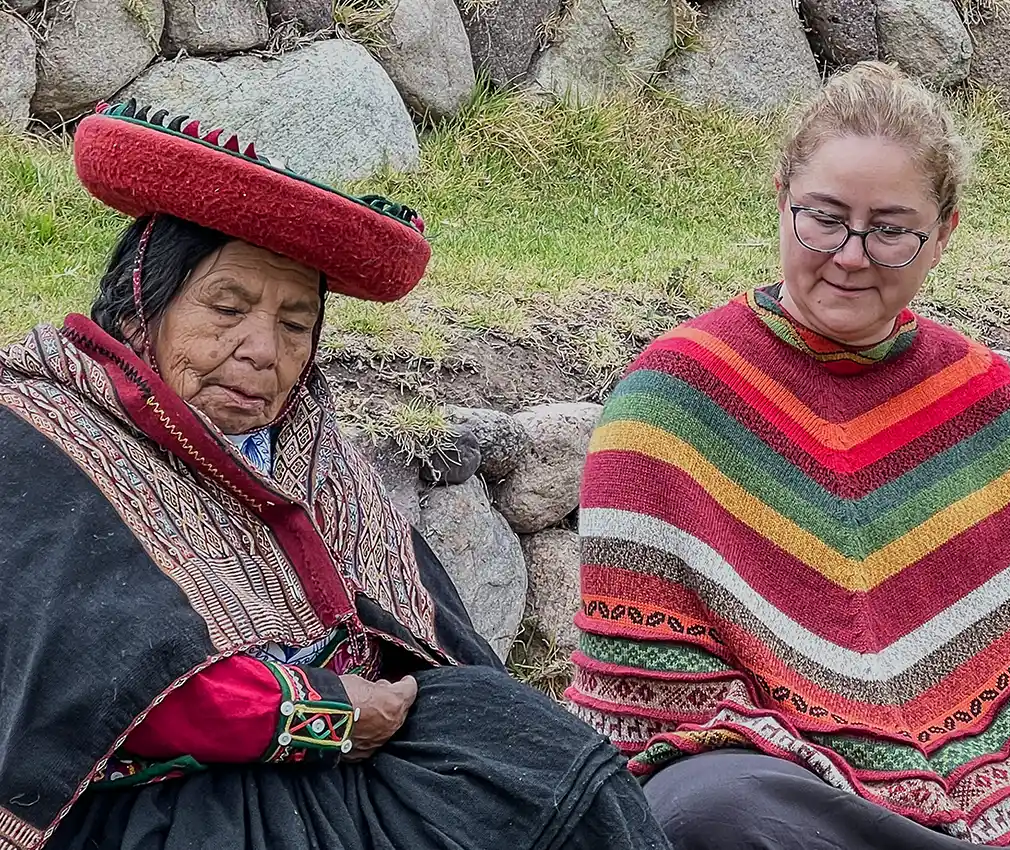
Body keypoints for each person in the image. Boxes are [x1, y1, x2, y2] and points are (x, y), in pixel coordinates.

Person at [568, 62, 1010, 849]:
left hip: (1002, 746)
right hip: (783, 766)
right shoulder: (669, 402)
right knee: (711, 813)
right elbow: (652, 685)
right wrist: (822, 747)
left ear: (943, 235)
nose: (851, 255)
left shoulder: (986, 397)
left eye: (890, 229)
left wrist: (985, 752)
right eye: (824, 217)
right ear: (781, 200)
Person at [0, 100, 670, 850]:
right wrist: (327, 714)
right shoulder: (42, 440)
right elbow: (99, 686)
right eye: (228, 307)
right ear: (137, 312)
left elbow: (416, 631)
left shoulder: (309, 456)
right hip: (159, 804)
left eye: (294, 324)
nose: (262, 349)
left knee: (548, 772)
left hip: (347, 755)